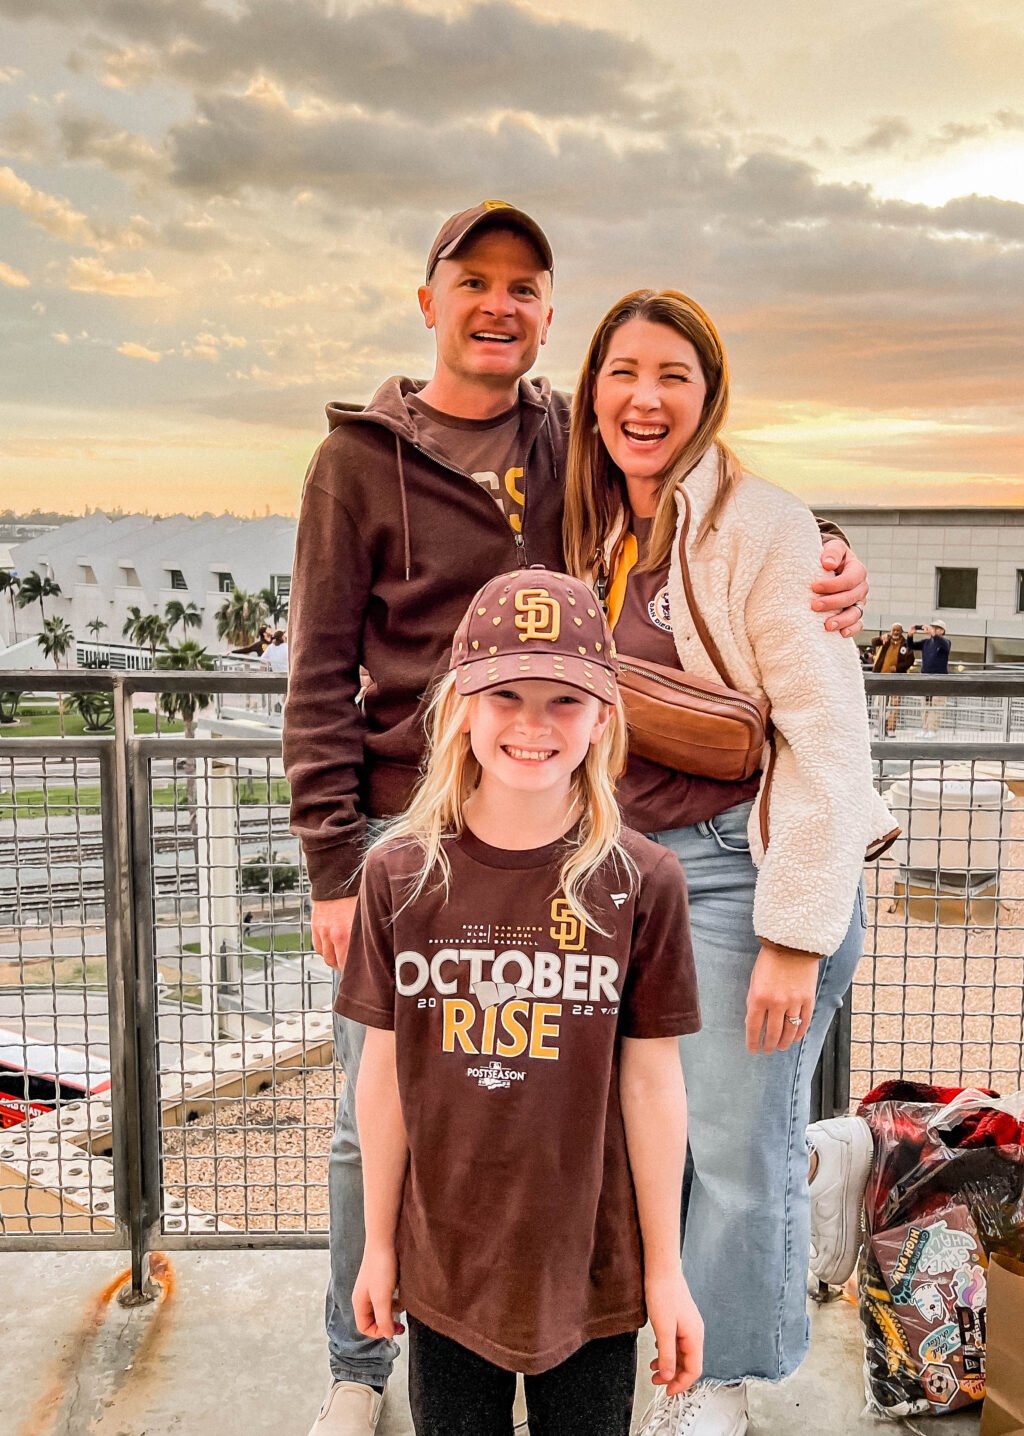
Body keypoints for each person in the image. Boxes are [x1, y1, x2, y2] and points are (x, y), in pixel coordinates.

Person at [283, 202, 873, 1436]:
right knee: (372, 1112)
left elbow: (728, 528)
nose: (500, 304)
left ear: (548, 317)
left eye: (526, 286)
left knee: (643, 1115)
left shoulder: (576, 444)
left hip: (579, 829)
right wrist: (337, 860)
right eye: (475, 280)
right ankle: (361, 1356)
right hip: (409, 829)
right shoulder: (365, 460)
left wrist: (825, 548)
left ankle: (663, 1355)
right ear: (429, 296)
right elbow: (314, 669)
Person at [561, 288, 898, 1435]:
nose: (644, 398)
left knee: (732, 1154)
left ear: (708, 397)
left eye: (673, 375)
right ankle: (829, 1160)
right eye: (622, 372)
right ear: (591, 391)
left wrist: (791, 933)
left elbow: (827, 738)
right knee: (668, 1132)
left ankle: (723, 1381)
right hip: (627, 876)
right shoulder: (592, 525)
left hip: (737, 874)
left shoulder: (764, 527)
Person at [338, 568, 704, 1436]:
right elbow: (383, 1077)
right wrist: (378, 1246)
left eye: (563, 701)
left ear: (603, 719)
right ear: (462, 704)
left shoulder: (642, 881)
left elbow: (653, 1086)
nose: (533, 725)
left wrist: (666, 1270)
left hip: (592, 1272)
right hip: (445, 1270)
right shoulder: (399, 876)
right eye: (506, 694)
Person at [908, 620, 950, 734]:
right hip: (926, 676)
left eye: (937, 628)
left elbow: (944, 646)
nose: (934, 630)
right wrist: (910, 635)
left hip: (939, 678)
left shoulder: (945, 642)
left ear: (942, 631)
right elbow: (911, 646)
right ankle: (924, 728)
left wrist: (933, 634)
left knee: (936, 704)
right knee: (925, 704)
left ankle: (932, 729)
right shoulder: (926, 642)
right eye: (933, 627)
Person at [872, 623, 914, 735]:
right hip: (882, 677)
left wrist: (897, 667)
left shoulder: (906, 644)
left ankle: (891, 729)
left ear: (901, 631)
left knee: (894, 705)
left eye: (898, 630)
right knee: (880, 704)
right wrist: (881, 638)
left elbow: (910, 661)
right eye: (893, 630)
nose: (895, 632)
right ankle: (880, 727)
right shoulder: (886, 640)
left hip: (896, 679)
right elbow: (873, 642)